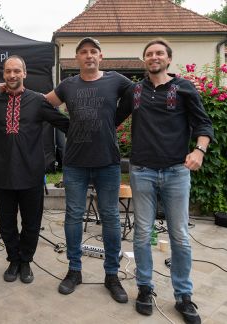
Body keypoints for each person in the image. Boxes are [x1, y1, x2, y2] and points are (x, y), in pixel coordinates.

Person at [116, 38, 213, 324]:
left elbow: (203, 123)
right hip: (142, 170)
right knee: (143, 233)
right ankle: (145, 288)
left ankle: (184, 295)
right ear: (144, 60)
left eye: (159, 53)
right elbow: (111, 118)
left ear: (169, 59)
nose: (154, 57)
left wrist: (200, 150)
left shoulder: (184, 88)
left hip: (175, 172)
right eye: (149, 53)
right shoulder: (135, 91)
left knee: (180, 236)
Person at [44, 37, 131, 302]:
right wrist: (66, 126)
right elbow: (43, 104)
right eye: (83, 52)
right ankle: (74, 270)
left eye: (93, 51)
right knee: (73, 216)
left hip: (107, 162)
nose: (89, 56)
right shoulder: (68, 85)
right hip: (75, 163)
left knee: (110, 218)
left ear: (101, 56)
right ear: (77, 58)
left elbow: (137, 96)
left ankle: (112, 275)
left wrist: (113, 121)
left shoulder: (116, 80)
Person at [0, 55, 69, 283]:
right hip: (3, 174)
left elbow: (65, 124)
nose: (12, 75)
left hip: (32, 174)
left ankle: (26, 262)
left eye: (16, 71)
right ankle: (13, 259)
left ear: (24, 73)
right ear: (3, 75)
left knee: (32, 222)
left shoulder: (38, 101)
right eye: (8, 71)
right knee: (5, 222)